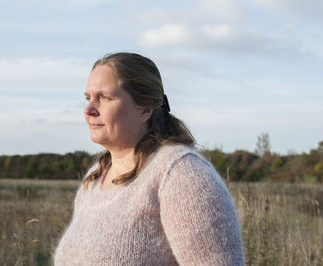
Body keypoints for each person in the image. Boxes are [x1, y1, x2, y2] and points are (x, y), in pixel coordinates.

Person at [54, 52, 244, 265]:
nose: (88, 110)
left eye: (104, 98)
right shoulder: (96, 176)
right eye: (88, 98)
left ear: (144, 108)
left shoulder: (180, 173)